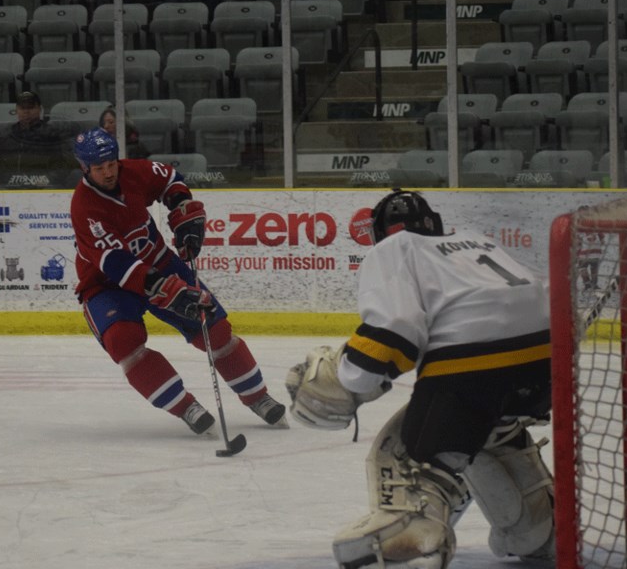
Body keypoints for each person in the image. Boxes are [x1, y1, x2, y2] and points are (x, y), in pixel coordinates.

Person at [286, 190, 554, 569]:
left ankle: (411, 539)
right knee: (491, 431)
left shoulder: (392, 250)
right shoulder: (478, 240)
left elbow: (395, 332)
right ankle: (540, 526)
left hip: (475, 368)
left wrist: (344, 381)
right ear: (436, 224)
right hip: (548, 363)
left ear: (381, 234)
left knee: (409, 454)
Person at [69, 127, 288, 435]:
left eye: (111, 164)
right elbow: (116, 263)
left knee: (215, 329)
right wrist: (161, 287)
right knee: (123, 341)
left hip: (159, 262)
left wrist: (182, 208)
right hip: (108, 286)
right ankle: (187, 407)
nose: (108, 172)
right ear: (84, 168)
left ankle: (259, 397)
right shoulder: (84, 208)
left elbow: (170, 179)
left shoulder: (133, 171)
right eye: (99, 168)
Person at [0, 91, 75, 189]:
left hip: (44, 189)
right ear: (16, 110)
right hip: (8, 189)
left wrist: (46, 181)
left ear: (39, 109)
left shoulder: (54, 135)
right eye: (22, 108)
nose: (26, 112)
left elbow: (64, 165)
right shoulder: (3, 136)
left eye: (31, 107)